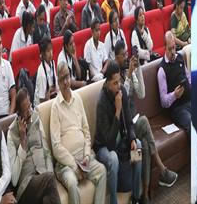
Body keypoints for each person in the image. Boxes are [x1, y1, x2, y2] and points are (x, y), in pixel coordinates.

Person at [113, 41, 178, 198]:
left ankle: (145, 194)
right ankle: (162, 169)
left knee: (144, 145)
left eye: (126, 53)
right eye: (123, 55)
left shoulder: (127, 71)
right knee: (144, 121)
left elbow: (142, 93)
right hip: (125, 129)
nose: (126, 57)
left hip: (133, 125)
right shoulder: (114, 77)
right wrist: (129, 74)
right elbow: (122, 98)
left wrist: (138, 69)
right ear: (116, 57)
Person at [50, 62, 107, 204]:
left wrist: (87, 156)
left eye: (67, 77)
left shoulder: (77, 99)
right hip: (66, 164)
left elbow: (86, 131)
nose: (65, 82)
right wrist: (74, 165)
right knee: (71, 183)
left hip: (84, 158)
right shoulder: (55, 107)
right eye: (62, 79)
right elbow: (56, 146)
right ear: (58, 82)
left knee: (102, 171)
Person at [94, 60, 142, 204]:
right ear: (107, 83)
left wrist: (132, 138)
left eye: (119, 81)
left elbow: (129, 120)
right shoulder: (102, 103)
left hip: (120, 142)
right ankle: (113, 201)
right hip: (103, 147)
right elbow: (109, 142)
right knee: (114, 158)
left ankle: (136, 198)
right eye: (115, 83)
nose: (118, 85)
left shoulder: (122, 91)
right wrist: (117, 111)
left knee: (138, 146)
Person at [6, 88, 60, 204]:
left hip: (44, 179)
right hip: (26, 186)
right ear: (18, 114)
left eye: (30, 106)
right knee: (50, 179)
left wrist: (49, 173)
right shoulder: (11, 133)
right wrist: (22, 142)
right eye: (25, 111)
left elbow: (47, 153)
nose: (30, 113)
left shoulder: (36, 119)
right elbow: (14, 179)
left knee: (47, 199)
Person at [159, 32, 191, 135]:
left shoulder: (180, 58)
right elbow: (163, 101)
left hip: (190, 100)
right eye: (170, 49)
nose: (173, 52)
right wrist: (174, 95)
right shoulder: (162, 70)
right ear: (165, 48)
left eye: (174, 47)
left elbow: (188, 77)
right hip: (178, 109)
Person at [34, 38, 58, 107]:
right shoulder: (41, 73)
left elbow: (55, 86)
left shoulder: (52, 63)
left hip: (52, 98)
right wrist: (50, 91)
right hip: (42, 106)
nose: (51, 53)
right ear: (43, 54)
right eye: (48, 51)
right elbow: (42, 100)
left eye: (51, 49)